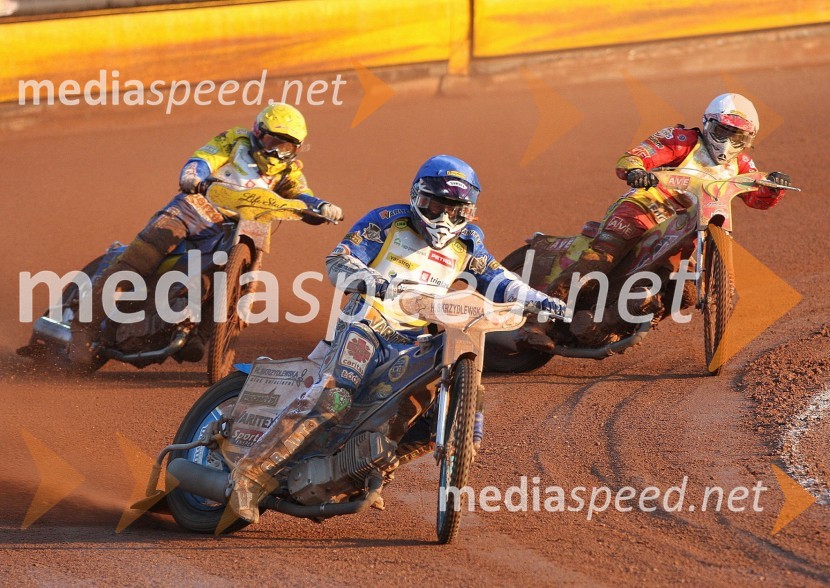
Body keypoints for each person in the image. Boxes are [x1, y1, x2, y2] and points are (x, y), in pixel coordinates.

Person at [227, 154, 568, 523]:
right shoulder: (387, 221)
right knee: (335, 396)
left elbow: (500, 279)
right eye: (434, 206)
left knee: (427, 413)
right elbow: (339, 259)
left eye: (455, 211)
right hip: (368, 322)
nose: (443, 218)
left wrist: (539, 299)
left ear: (468, 212)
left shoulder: (468, 242)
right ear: (416, 196)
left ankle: (366, 468)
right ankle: (250, 476)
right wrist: (369, 278)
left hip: (416, 338)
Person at [68, 103, 344, 365]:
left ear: (296, 149)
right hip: (195, 209)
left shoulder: (290, 173)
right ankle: (84, 329)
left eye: (285, 147)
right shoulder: (235, 141)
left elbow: (303, 196)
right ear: (258, 134)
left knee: (235, 281)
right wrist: (193, 176)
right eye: (273, 143)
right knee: (140, 258)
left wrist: (322, 207)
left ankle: (199, 334)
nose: (276, 153)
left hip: (241, 228)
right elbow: (203, 158)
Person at [521, 93, 793, 350]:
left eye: (738, 137)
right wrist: (637, 170)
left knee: (685, 291)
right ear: (708, 123)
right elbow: (633, 157)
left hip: (693, 223)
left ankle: (610, 322)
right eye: (723, 132)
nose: (728, 143)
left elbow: (758, 199)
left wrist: (773, 187)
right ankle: (536, 322)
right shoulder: (682, 139)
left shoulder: (743, 163)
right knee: (601, 258)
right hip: (647, 206)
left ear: (748, 139)